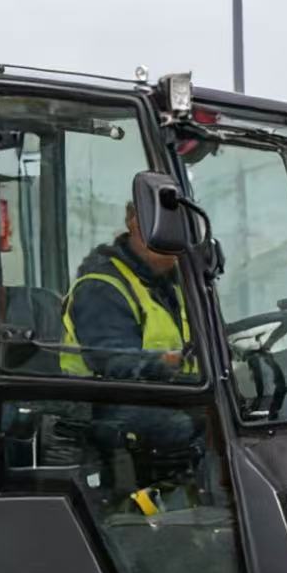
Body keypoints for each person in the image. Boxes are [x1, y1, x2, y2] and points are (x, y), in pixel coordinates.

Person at [60, 202, 200, 486]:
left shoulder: (174, 285)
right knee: (200, 426)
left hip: (165, 394)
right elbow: (112, 360)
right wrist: (167, 362)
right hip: (100, 405)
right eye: (167, 228)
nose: (173, 238)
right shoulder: (102, 287)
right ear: (135, 224)